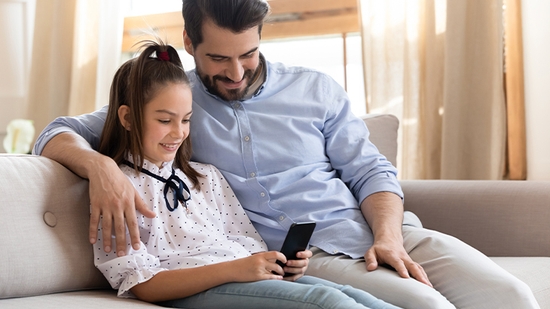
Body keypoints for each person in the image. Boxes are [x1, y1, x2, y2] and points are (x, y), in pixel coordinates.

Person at [33, 1, 539, 308]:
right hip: (309, 257)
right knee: (424, 305)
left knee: (512, 298)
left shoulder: (315, 89)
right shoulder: (169, 100)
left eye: (247, 54)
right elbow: (57, 132)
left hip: (387, 233)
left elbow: (370, 171)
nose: (235, 72)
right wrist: (100, 167)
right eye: (218, 58)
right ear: (189, 42)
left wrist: (389, 238)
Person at [93, 38, 400, 309]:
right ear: (128, 118)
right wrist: (237, 270)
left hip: (244, 280)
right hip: (200, 288)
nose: (178, 133)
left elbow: (247, 244)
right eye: (164, 120)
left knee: (357, 297)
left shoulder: (205, 177)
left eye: (186, 120)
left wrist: (278, 265)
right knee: (327, 302)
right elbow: (140, 283)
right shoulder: (119, 190)